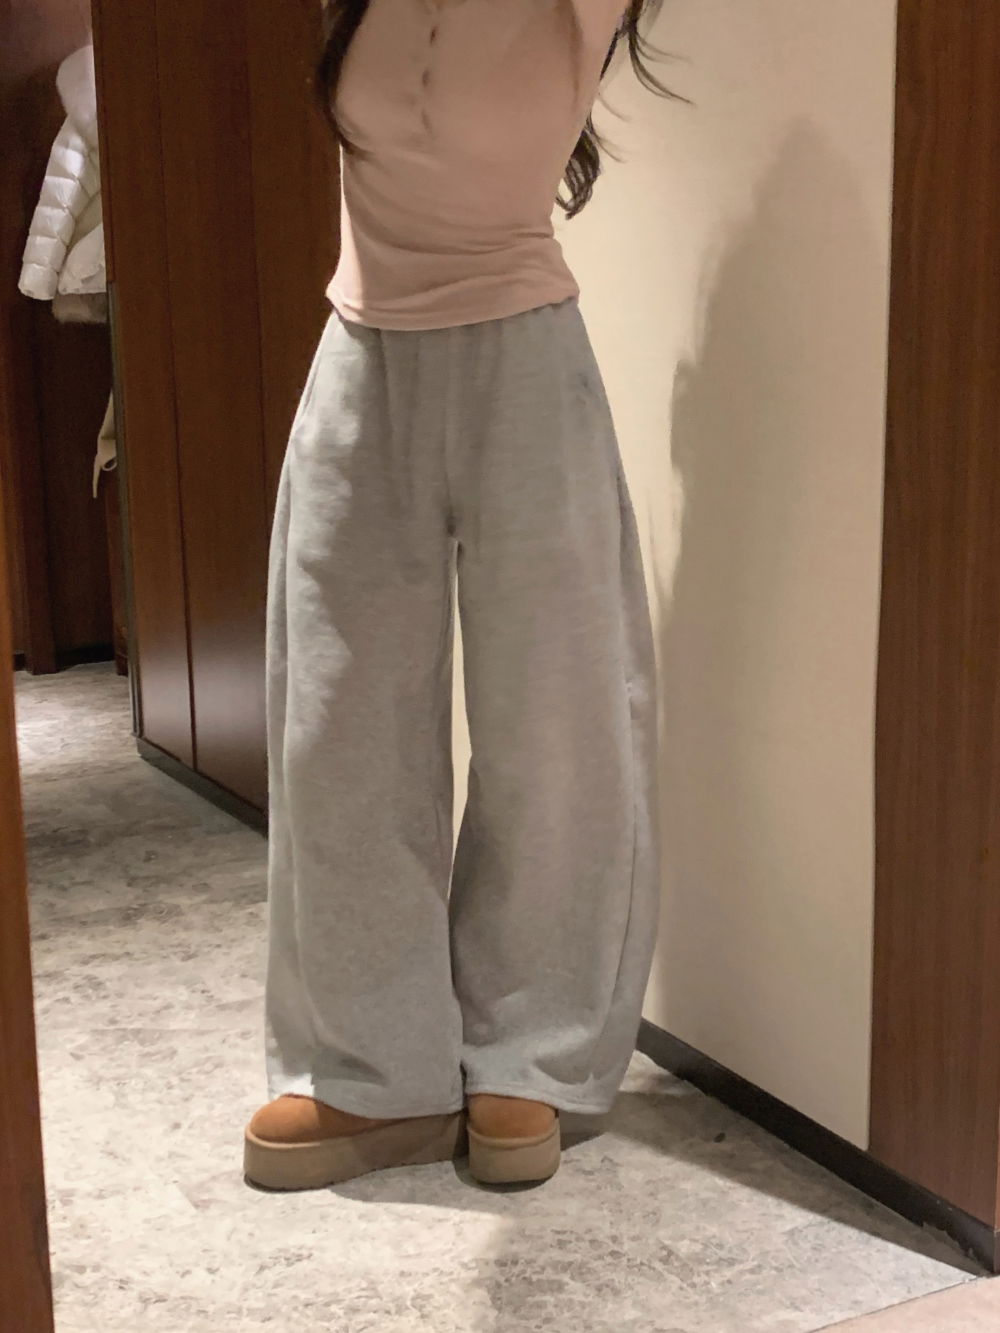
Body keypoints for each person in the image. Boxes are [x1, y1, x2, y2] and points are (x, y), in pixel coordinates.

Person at [244, 0, 671, 1191]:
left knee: (555, 727)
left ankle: (528, 1054)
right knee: (337, 730)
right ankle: (370, 1070)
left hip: (524, 365)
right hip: (359, 361)